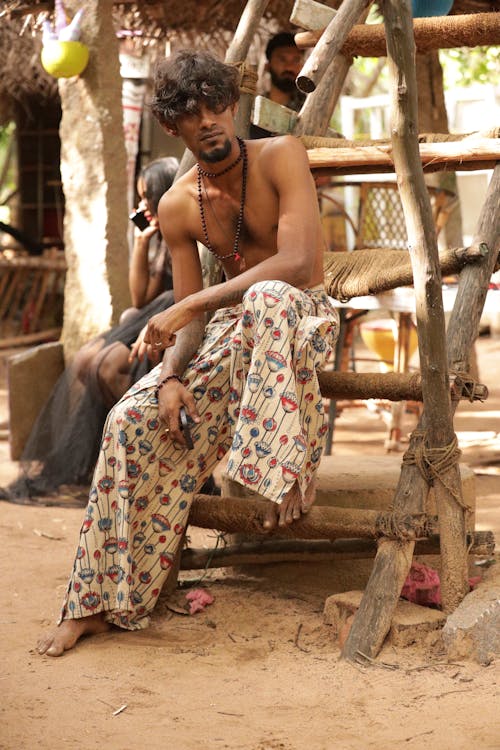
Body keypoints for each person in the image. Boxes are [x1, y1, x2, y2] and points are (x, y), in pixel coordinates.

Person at [37, 49, 339, 657]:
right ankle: (96, 603)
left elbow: (301, 264)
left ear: (233, 105)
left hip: (298, 320)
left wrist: (191, 306)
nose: (207, 121)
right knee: (129, 421)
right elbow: (190, 316)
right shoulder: (178, 206)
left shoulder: (282, 156)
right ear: (172, 127)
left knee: (269, 299)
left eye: (215, 105)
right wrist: (171, 374)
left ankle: (278, 472)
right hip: (231, 338)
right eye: (190, 112)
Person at [1, 157, 179, 503]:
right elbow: (142, 297)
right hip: (153, 312)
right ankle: (104, 460)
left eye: (147, 198)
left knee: (109, 367)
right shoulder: (161, 237)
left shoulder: (186, 226)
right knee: (85, 360)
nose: (141, 206)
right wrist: (142, 242)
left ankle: (142, 455)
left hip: (174, 315)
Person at [250, 32, 306, 139]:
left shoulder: (307, 107)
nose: (289, 67)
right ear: (267, 66)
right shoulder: (252, 109)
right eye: (282, 59)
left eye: (296, 60)